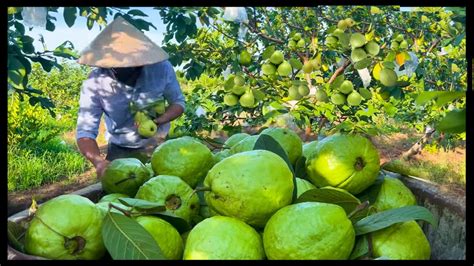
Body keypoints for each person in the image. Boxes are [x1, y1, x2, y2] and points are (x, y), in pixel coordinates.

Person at [75, 16, 185, 178]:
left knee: (162, 192)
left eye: (134, 66)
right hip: (120, 151)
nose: (128, 70)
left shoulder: (161, 69)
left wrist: (159, 120)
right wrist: (98, 161)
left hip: (159, 146)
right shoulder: (94, 83)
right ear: (107, 65)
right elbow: (85, 132)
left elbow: (178, 103)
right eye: (120, 68)